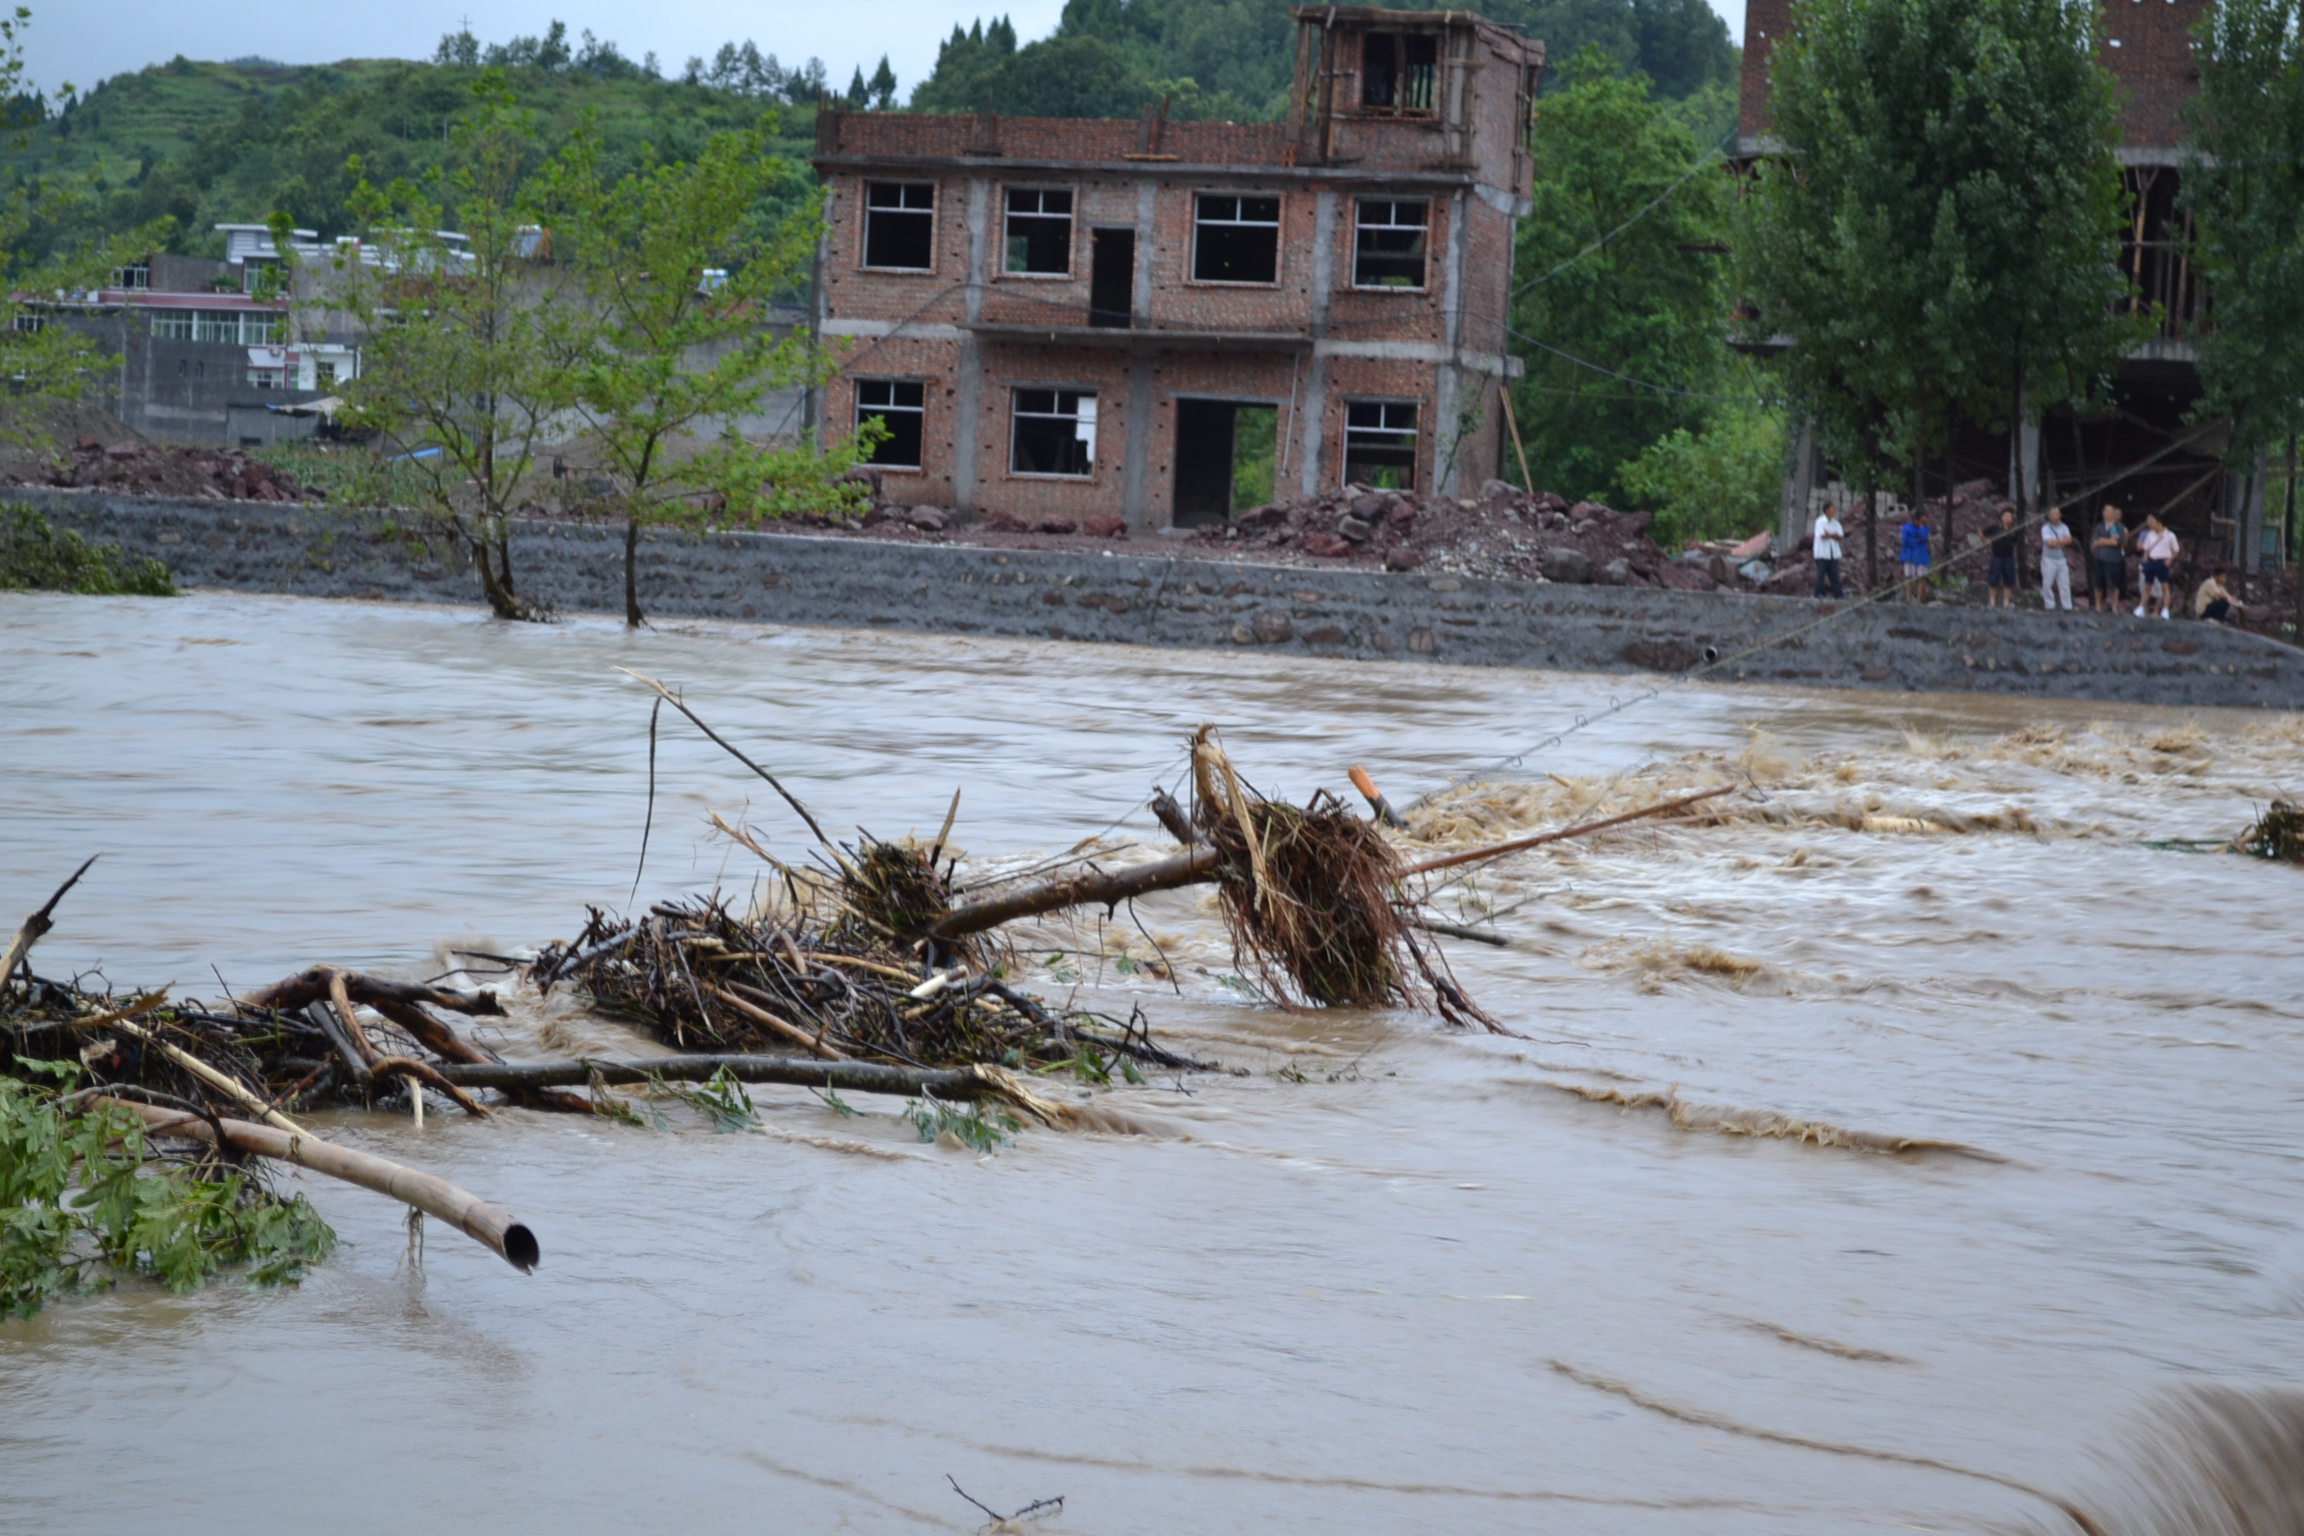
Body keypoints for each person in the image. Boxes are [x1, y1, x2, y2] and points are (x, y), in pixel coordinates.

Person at [2136, 514, 2179, 619]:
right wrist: (2146, 560)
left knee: (2165, 586)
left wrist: (2170, 560)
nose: (2149, 522)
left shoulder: (2170, 535)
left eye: (2152, 520)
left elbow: (2176, 550)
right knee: (2148, 586)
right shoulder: (2150, 534)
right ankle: (2141, 608)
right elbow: (2146, 548)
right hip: (2151, 561)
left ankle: (2165, 610)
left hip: (2162, 561)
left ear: (2159, 522)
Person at [2091, 503, 2129, 613]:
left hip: (2114, 559)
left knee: (2113, 584)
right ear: (2103, 513)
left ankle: (2114, 607)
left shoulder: (2117, 527)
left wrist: (2102, 540)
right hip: (2100, 558)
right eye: (2106, 511)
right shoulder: (2099, 527)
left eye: (2110, 511)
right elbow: (2095, 543)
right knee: (2099, 583)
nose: (2108, 513)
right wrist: (2106, 541)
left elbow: (2116, 542)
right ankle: (2099, 606)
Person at [2039, 505, 2075, 611]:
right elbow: (2049, 543)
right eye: (2053, 514)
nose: (2056, 516)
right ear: (2049, 516)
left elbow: (2069, 540)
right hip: (2048, 558)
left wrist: (2058, 542)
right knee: (2047, 583)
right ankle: (2049, 605)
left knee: (2064, 582)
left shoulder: (2064, 527)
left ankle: (2067, 606)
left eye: (2057, 513)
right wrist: (2062, 542)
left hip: (2061, 558)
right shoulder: (2045, 528)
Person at [1986, 507, 2020, 609]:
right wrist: (1988, 541)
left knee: (2008, 581)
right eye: (2005, 516)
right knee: (1993, 580)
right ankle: (1992, 602)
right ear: (2001, 517)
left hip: (2009, 557)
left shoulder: (2014, 530)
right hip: (1997, 557)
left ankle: (2006, 602)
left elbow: (2015, 541)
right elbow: (1982, 534)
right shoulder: (1995, 528)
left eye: (2010, 516)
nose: (2008, 518)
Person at [1812, 502, 1845, 599]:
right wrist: (1833, 535)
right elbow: (1822, 535)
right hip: (1822, 553)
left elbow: (1840, 537)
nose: (1834, 511)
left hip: (1833, 553)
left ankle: (1838, 594)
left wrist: (1830, 534)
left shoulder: (1836, 523)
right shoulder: (1820, 522)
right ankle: (1819, 593)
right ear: (1826, 510)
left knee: (1834, 574)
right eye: (1832, 509)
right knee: (1821, 574)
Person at [1898, 509, 1932, 602]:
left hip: (1921, 555)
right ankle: (1908, 599)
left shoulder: (1924, 528)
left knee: (1921, 577)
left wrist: (1922, 527)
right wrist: (1916, 541)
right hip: (1909, 555)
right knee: (1909, 577)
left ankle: (1919, 599)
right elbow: (1905, 540)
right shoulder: (1906, 528)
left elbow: (1923, 537)